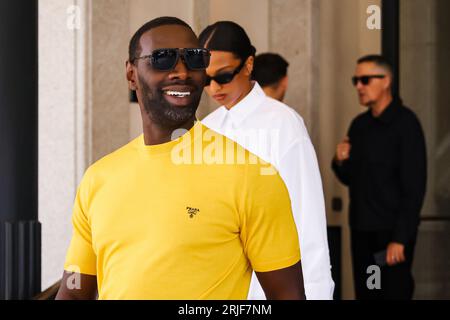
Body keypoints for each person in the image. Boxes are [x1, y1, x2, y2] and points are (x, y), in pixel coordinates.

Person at [55, 17, 305, 300]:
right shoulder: (98, 180)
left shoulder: (252, 175)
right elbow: (74, 292)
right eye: (163, 58)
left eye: (194, 58)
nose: (182, 72)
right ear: (131, 73)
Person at [199, 21, 334, 300]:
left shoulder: (285, 124)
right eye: (205, 79)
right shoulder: (206, 128)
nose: (213, 88)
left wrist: (316, 292)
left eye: (223, 76)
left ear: (249, 64)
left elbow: (306, 216)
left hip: (269, 288)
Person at [332, 55, 427, 300]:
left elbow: (414, 188)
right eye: (356, 80)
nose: (358, 87)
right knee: (367, 293)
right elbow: (351, 178)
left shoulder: (406, 125)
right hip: (362, 231)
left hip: (390, 234)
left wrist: (400, 238)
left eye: (364, 80)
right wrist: (340, 161)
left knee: (392, 293)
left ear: (386, 81)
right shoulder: (359, 126)